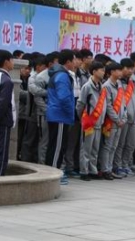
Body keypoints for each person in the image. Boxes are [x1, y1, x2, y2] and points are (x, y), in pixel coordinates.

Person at [45, 49, 76, 184]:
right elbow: (64, 98)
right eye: (74, 60)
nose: (75, 63)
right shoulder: (62, 76)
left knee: (55, 146)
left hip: (58, 115)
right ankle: (53, 174)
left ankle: (51, 173)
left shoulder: (59, 74)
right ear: (68, 62)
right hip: (60, 116)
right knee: (57, 147)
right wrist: (71, 112)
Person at [76, 61, 107, 181]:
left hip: (99, 122)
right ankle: (84, 171)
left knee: (95, 148)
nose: (103, 73)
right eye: (101, 70)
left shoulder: (102, 87)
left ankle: (93, 170)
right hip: (89, 122)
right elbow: (80, 104)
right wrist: (83, 119)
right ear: (94, 71)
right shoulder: (87, 86)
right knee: (86, 148)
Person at [101, 62, 127, 180]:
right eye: (118, 70)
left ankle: (110, 169)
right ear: (111, 72)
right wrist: (117, 119)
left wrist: (124, 117)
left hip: (119, 121)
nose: (121, 72)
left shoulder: (119, 84)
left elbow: (123, 103)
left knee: (114, 146)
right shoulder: (106, 86)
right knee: (108, 146)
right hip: (111, 122)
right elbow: (108, 105)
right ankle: (105, 170)